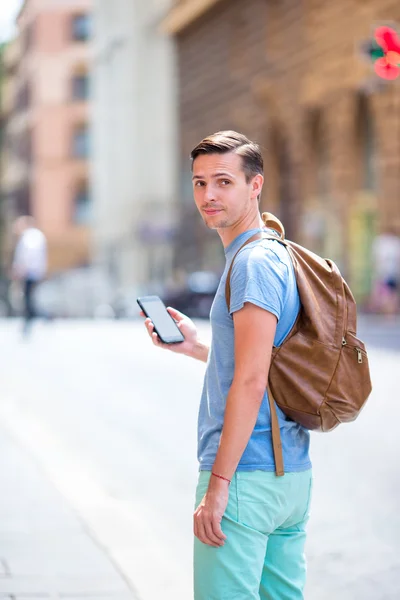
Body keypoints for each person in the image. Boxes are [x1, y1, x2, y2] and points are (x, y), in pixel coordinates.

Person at [141, 131, 312, 599]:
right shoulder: (277, 252)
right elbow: (264, 362)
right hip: (289, 478)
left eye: (223, 182)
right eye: (199, 183)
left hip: (244, 478)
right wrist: (196, 348)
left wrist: (217, 486)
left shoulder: (252, 262)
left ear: (255, 186)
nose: (209, 195)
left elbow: (253, 380)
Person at [11, 215, 47, 336]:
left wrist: (21, 268)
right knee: (30, 297)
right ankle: (34, 319)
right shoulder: (33, 236)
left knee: (28, 298)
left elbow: (28, 255)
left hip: (30, 271)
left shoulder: (30, 236)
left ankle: (39, 318)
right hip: (33, 271)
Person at [370, 228, 400, 316]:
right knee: (388, 294)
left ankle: (388, 311)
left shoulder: (383, 242)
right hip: (387, 273)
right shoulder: (393, 242)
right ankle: (387, 311)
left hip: (387, 273)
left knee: (388, 294)